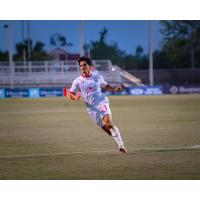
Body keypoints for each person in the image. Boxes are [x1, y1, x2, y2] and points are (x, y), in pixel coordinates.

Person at [67, 56, 127, 153]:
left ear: (89, 66)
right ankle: (117, 138)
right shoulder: (77, 81)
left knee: (109, 123)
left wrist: (115, 89)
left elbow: (105, 85)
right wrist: (75, 98)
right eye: (81, 65)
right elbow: (70, 94)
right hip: (91, 109)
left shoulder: (97, 76)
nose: (82, 67)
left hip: (101, 101)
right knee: (108, 130)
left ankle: (121, 145)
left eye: (84, 65)